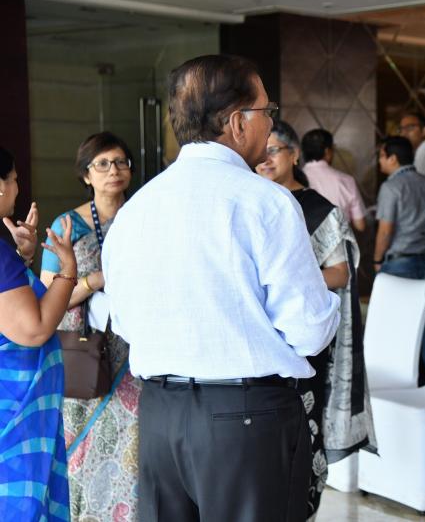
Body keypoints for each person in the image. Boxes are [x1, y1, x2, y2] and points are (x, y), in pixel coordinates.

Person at [101, 54, 341, 522]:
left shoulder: (137, 209)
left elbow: (124, 321)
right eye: (267, 112)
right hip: (245, 419)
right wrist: (328, 303)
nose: (270, 125)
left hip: (160, 416)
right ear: (237, 122)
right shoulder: (265, 201)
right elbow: (309, 330)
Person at [255, 120, 376, 519]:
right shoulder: (250, 201)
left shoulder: (319, 209)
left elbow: (340, 274)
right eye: (261, 151)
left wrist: (287, 280)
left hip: (303, 344)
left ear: (294, 155)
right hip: (256, 341)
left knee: (302, 438)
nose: (266, 159)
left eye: (275, 150)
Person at [39, 131, 140, 520]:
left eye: (121, 162)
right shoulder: (67, 224)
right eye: (102, 164)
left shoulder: (143, 216)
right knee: (81, 441)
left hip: (135, 352)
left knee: (134, 442)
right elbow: (49, 294)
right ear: (85, 174)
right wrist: (95, 280)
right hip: (84, 351)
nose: (114, 170)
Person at [0, 146, 75, 521]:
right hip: (11, 414)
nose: (17, 188)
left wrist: (21, 258)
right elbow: (33, 330)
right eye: (14, 180)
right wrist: (68, 270)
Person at [374, 135, 425, 279]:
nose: (379, 160)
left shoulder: (390, 187)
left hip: (399, 262)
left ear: (393, 159)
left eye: (382, 156)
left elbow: (385, 231)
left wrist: (377, 260)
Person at [301, 128, 367, 232]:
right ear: (327, 151)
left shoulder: (292, 180)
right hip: (339, 240)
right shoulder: (347, 181)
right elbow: (360, 225)